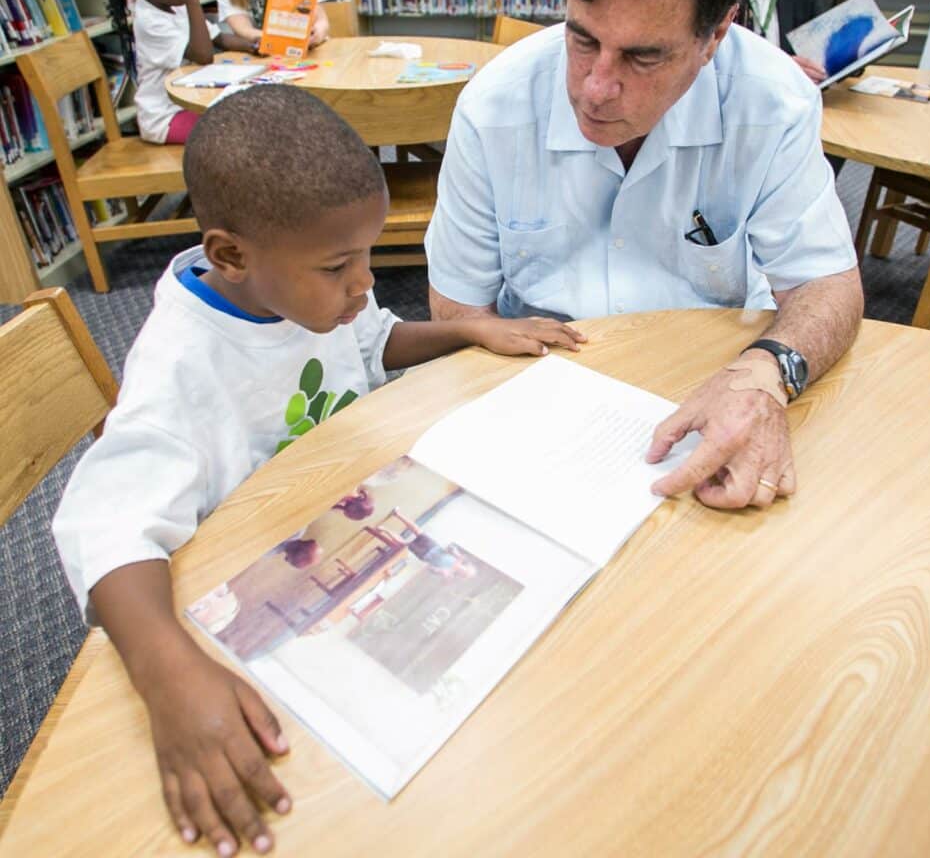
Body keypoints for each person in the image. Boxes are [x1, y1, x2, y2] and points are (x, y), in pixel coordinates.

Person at [51, 85, 585, 857]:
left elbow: (373, 342)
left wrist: (470, 332)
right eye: (341, 265)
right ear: (230, 254)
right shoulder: (180, 364)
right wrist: (169, 678)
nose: (365, 283)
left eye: (366, 255)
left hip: (351, 530)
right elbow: (103, 525)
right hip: (264, 605)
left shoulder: (309, 295)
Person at [425, 0, 863, 512]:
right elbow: (458, 308)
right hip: (536, 403)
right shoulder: (494, 107)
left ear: (717, 35)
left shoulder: (772, 102)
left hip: (712, 392)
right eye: (582, 38)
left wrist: (768, 371)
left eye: (643, 57)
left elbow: (827, 282)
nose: (596, 89)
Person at [108, 0, 255, 144]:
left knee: (252, 113)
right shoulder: (149, 20)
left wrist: (259, 45)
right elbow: (204, 55)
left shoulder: (173, 3)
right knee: (238, 132)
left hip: (191, 103)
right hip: (166, 117)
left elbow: (219, 38)